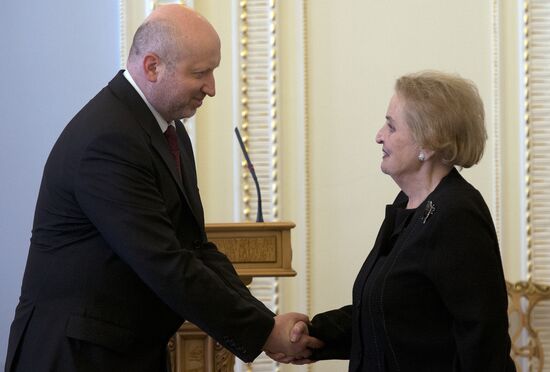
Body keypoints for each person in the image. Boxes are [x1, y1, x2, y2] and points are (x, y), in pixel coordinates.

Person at [5, 5, 321, 372]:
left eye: (213, 71)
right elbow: (165, 262)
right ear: (152, 67)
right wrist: (266, 333)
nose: (212, 88)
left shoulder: (167, 131)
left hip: (125, 351)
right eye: (201, 73)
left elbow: (196, 248)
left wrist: (267, 322)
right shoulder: (108, 139)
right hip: (77, 356)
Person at [272, 71, 516, 371]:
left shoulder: (457, 214)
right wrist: (312, 336)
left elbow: (483, 339)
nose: (379, 136)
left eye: (391, 126)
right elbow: (387, 313)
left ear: (429, 141)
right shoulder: (408, 205)